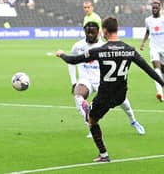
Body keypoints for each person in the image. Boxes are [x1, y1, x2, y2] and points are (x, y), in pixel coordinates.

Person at [56, 17, 164, 162]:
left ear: (104, 31)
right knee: (118, 103)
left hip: (104, 95)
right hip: (120, 95)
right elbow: (149, 70)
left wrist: (61, 54)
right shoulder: (130, 50)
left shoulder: (100, 51)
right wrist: (162, 83)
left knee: (91, 120)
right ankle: (130, 121)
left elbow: (73, 60)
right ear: (117, 29)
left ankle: (104, 155)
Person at [69, 21, 145, 138]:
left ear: (99, 32)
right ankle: (90, 125)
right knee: (78, 97)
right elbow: (72, 62)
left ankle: (133, 120)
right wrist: (74, 81)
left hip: (103, 81)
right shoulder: (77, 46)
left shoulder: (104, 47)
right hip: (86, 81)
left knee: (123, 101)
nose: (90, 34)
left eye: (92, 32)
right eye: (87, 32)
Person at [140, 0, 164, 102]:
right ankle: (160, 92)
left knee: (162, 71)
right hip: (154, 48)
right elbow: (148, 31)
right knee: (156, 69)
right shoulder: (148, 20)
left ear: (160, 8)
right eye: (153, 8)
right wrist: (143, 42)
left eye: (156, 8)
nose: (154, 9)